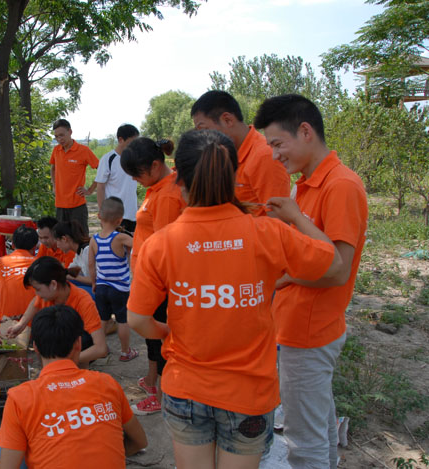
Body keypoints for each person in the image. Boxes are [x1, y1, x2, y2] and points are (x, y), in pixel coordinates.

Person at [127, 129, 345, 469]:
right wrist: (295, 217)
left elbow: (138, 320)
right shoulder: (268, 232)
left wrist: (168, 333)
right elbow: (334, 263)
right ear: (234, 177)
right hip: (249, 393)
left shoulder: (161, 244)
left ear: (179, 179)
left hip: (186, 388)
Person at [254, 94, 368, 469]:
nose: (274, 155)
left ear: (305, 132)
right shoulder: (307, 183)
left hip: (310, 330)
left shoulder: (341, 186)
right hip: (298, 324)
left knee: (304, 441)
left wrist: (283, 277)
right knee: (316, 425)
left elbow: (338, 269)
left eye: (277, 144)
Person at [0, 305, 148, 469]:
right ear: (78, 343)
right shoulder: (107, 383)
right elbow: (140, 442)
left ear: (36, 347)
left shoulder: (20, 397)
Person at [120, 136, 186, 415]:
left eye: (137, 174)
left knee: (160, 339)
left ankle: (162, 395)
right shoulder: (158, 187)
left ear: (156, 166)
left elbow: (164, 246)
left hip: (159, 282)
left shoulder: (168, 195)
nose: (134, 180)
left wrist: (151, 283)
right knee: (153, 339)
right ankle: (152, 381)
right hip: (149, 279)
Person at [191, 90, 290, 216]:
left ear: (227, 120)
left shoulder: (264, 156)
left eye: (204, 130)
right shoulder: (225, 155)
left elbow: (279, 221)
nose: (203, 137)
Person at [7, 257, 108, 366]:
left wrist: (65, 362)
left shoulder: (83, 302)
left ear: (53, 285)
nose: (37, 294)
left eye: (38, 289)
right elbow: (35, 303)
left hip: (78, 350)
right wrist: (22, 324)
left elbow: (101, 348)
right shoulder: (46, 296)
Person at [88, 196, 137, 361]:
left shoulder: (94, 240)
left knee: (103, 319)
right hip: (120, 288)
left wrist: (94, 283)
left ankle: (101, 348)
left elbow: (91, 265)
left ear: (99, 216)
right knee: (122, 320)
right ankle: (125, 352)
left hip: (101, 287)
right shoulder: (120, 238)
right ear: (120, 220)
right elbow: (139, 245)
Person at [50, 119, 100, 235]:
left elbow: (102, 170)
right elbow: (53, 168)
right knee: (62, 238)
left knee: (81, 238)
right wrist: (54, 185)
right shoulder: (56, 150)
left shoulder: (83, 150)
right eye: (56, 137)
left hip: (77, 205)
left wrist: (90, 190)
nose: (59, 139)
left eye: (62, 135)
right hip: (60, 205)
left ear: (70, 132)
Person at [94, 124, 140, 233]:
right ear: (120, 140)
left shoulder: (135, 158)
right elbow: (100, 187)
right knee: (115, 243)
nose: (134, 146)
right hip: (114, 215)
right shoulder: (108, 159)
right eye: (132, 142)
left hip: (132, 214)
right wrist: (102, 212)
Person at [53, 220, 93, 297]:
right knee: (62, 284)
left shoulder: (87, 251)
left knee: (70, 291)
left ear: (64, 239)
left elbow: (96, 281)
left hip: (103, 290)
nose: (57, 246)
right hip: (94, 286)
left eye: (57, 241)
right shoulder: (78, 254)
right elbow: (68, 271)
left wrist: (74, 277)